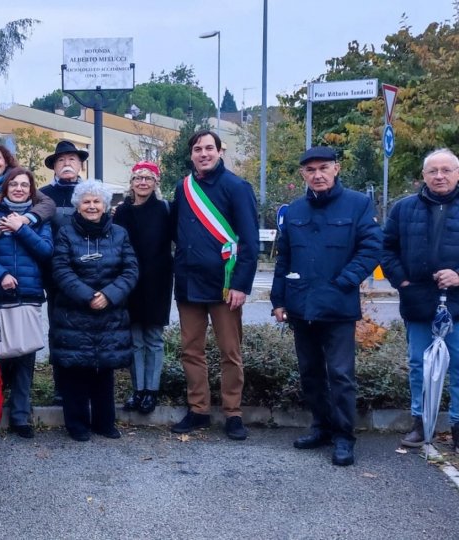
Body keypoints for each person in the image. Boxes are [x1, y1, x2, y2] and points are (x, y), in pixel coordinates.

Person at [272, 147, 382, 467]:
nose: (317, 175)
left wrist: (344, 281)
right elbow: (285, 259)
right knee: (310, 373)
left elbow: (372, 247)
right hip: (300, 305)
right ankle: (320, 427)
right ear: (303, 175)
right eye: (310, 170)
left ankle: (344, 437)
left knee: (341, 374)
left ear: (337, 168)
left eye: (324, 168)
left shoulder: (358, 204)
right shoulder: (293, 211)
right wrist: (278, 300)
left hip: (337, 305)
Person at [171, 130, 259, 441]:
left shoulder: (237, 187)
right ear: (191, 154)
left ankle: (233, 414)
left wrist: (241, 285)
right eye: (198, 149)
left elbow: (250, 241)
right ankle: (199, 410)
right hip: (188, 282)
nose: (204, 153)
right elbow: (176, 231)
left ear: (220, 151)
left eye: (209, 148)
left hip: (224, 286)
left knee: (230, 352)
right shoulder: (183, 188)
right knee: (191, 351)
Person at [382, 148, 459, 451]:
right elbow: (386, 249)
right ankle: (421, 423)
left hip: (457, 304)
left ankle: (456, 427)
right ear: (423, 176)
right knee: (419, 365)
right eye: (433, 171)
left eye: (446, 170)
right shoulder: (403, 208)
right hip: (418, 302)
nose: (439, 176)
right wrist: (402, 282)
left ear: (457, 173)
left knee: (458, 367)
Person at [50, 180, 138, 442]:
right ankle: (77, 425)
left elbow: (131, 270)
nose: (91, 206)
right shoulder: (65, 233)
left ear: (104, 205)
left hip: (109, 313)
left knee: (104, 370)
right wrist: (88, 296)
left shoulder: (120, 234)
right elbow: (61, 270)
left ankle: (104, 422)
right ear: (78, 205)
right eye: (86, 201)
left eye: (96, 201)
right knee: (76, 370)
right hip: (74, 313)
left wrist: (108, 295)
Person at [0, 167, 53, 439]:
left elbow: (45, 252)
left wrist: (21, 228)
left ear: (31, 190)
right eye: (14, 184)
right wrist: (1, 274)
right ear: (5, 188)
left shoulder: (40, 220)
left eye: (24, 185)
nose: (19, 189)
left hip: (28, 296)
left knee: (24, 360)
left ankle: (20, 417)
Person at [113, 162, 173, 414]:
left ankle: (152, 391)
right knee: (134, 338)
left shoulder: (165, 209)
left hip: (158, 279)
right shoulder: (122, 212)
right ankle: (137, 391)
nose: (143, 182)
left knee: (154, 338)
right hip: (129, 280)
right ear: (131, 182)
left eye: (149, 178)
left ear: (156, 183)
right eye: (138, 178)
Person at [39, 140, 89, 407]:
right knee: (58, 329)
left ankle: (87, 384)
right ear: (54, 167)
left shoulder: (92, 192)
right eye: (60, 160)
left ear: (80, 164)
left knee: (87, 328)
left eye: (71, 159)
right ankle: (61, 385)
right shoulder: (43, 195)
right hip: (56, 276)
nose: (66, 163)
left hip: (91, 274)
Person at [0, 143, 56, 236]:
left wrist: (26, 219)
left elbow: (48, 204)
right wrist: (10, 224)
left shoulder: (19, 181)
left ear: (6, 162)